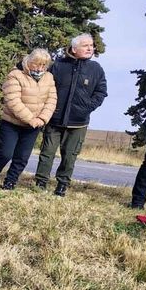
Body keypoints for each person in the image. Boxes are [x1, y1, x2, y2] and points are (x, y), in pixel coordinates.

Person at [34, 34, 108, 197]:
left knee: (69, 156)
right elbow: (44, 87)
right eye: (85, 45)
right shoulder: (58, 65)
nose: (90, 48)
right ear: (74, 49)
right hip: (54, 119)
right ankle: (40, 182)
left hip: (79, 122)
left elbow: (101, 92)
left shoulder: (96, 69)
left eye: (91, 45)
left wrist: (87, 108)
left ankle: (62, 185)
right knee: (47, 152)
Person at [0, 49, 57, 190]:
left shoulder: (49, 78)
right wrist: (30, 118)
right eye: (37, 64)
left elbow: (51, 101)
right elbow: (13, 100)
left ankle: (10, 182)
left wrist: (42, 118)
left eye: (44, 65)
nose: (40, 68)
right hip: (12, 123)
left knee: (22, 157)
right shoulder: (15, 75)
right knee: (5, 153)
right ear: (29, 62)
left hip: (34, 125)